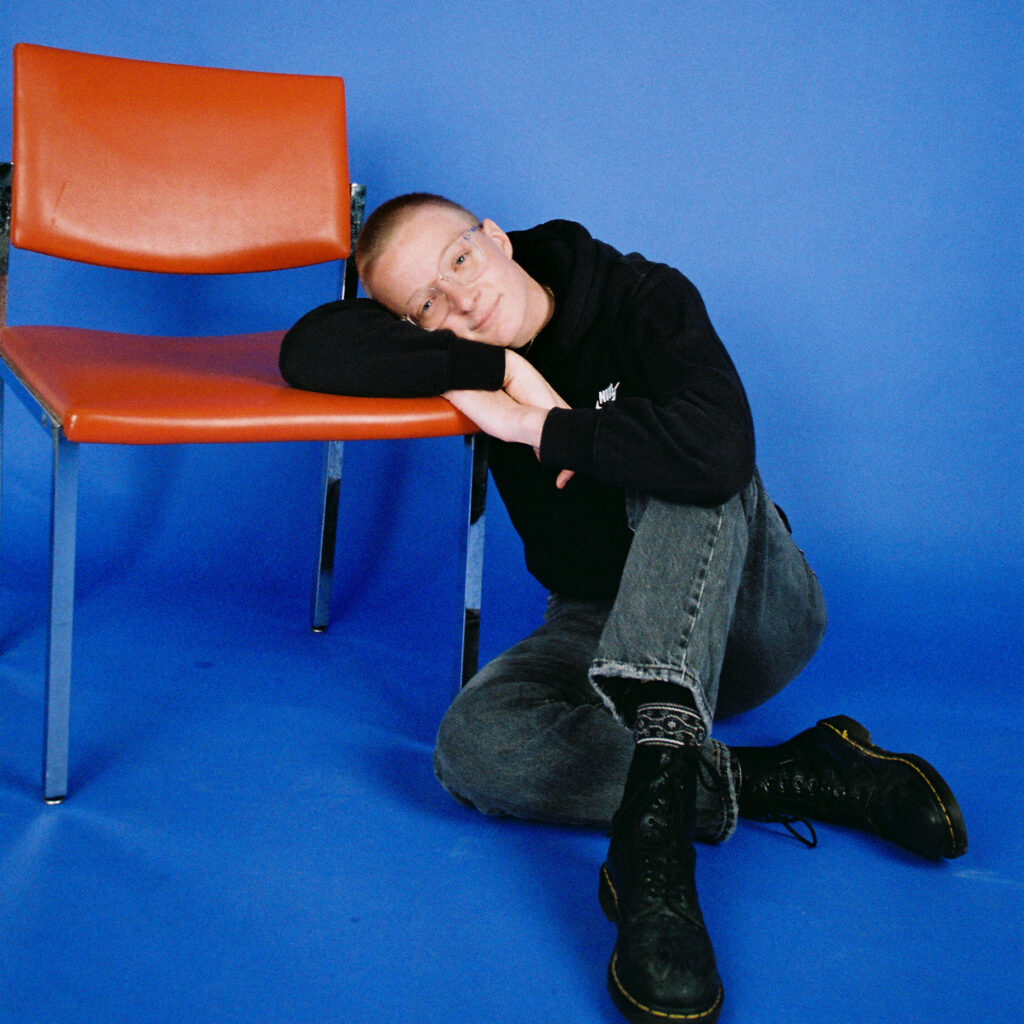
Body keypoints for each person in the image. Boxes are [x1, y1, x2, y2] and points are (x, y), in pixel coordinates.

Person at [279, 194, 967, 1024]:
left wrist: (551, 429)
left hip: (747, 615)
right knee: (473, 748)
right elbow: (307, 346)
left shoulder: (642, 295)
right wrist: (493, 373)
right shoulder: (470, 352)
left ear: (494, 239)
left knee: (686, 463)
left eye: (459, 262)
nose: (457, 301)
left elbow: (717, 453)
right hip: (597, 619)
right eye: (426, 305)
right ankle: (790, 776)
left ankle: (652, 856)